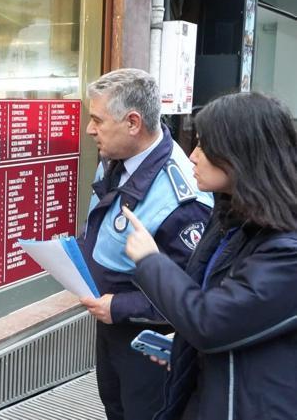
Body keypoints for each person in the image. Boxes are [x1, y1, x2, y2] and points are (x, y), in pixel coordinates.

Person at [123, 92, 297, 420]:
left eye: (204, 145)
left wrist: (150, 260)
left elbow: (211, 321)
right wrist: (186, 344)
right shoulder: (231, 215)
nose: (192, 156)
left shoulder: (287, 251)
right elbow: (233, 313)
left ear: (240, 153)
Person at [78, 68, 213, 420]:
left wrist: (120, 307)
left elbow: (191, 293)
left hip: (150, 342)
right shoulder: (116, 159)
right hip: (111, 327)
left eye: (97, 120)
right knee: (116, 409)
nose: (90, 129)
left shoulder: (182, 197)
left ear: (133, 123)